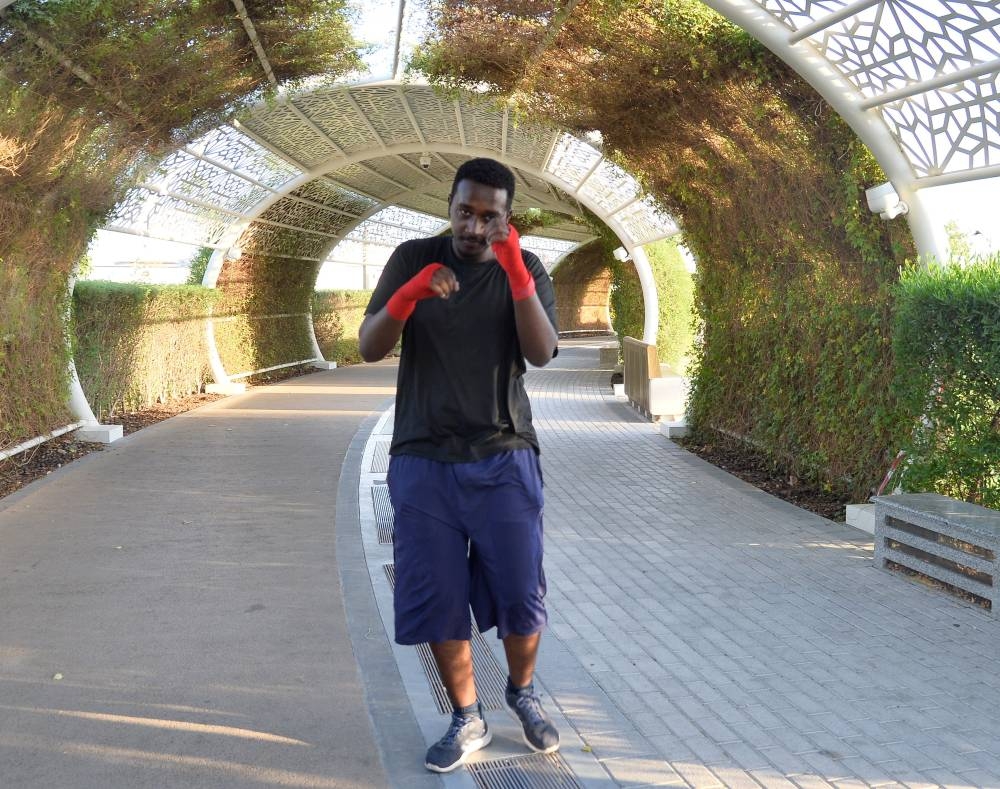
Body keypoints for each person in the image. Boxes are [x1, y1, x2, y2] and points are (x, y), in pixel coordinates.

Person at [358, 157, 560, 773]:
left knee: (522, 594)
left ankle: (521, 694)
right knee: (438, 597)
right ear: (449, 207)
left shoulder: (525, 266)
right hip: (423, 458)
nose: (474, 227)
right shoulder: (414, 257)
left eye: (489, 216)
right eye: (464, 212)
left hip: (504, 455)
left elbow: (543, 351)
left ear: (507, 218)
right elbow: (369, 346)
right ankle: (467, 716)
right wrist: (408, 296)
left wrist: (517, 277)